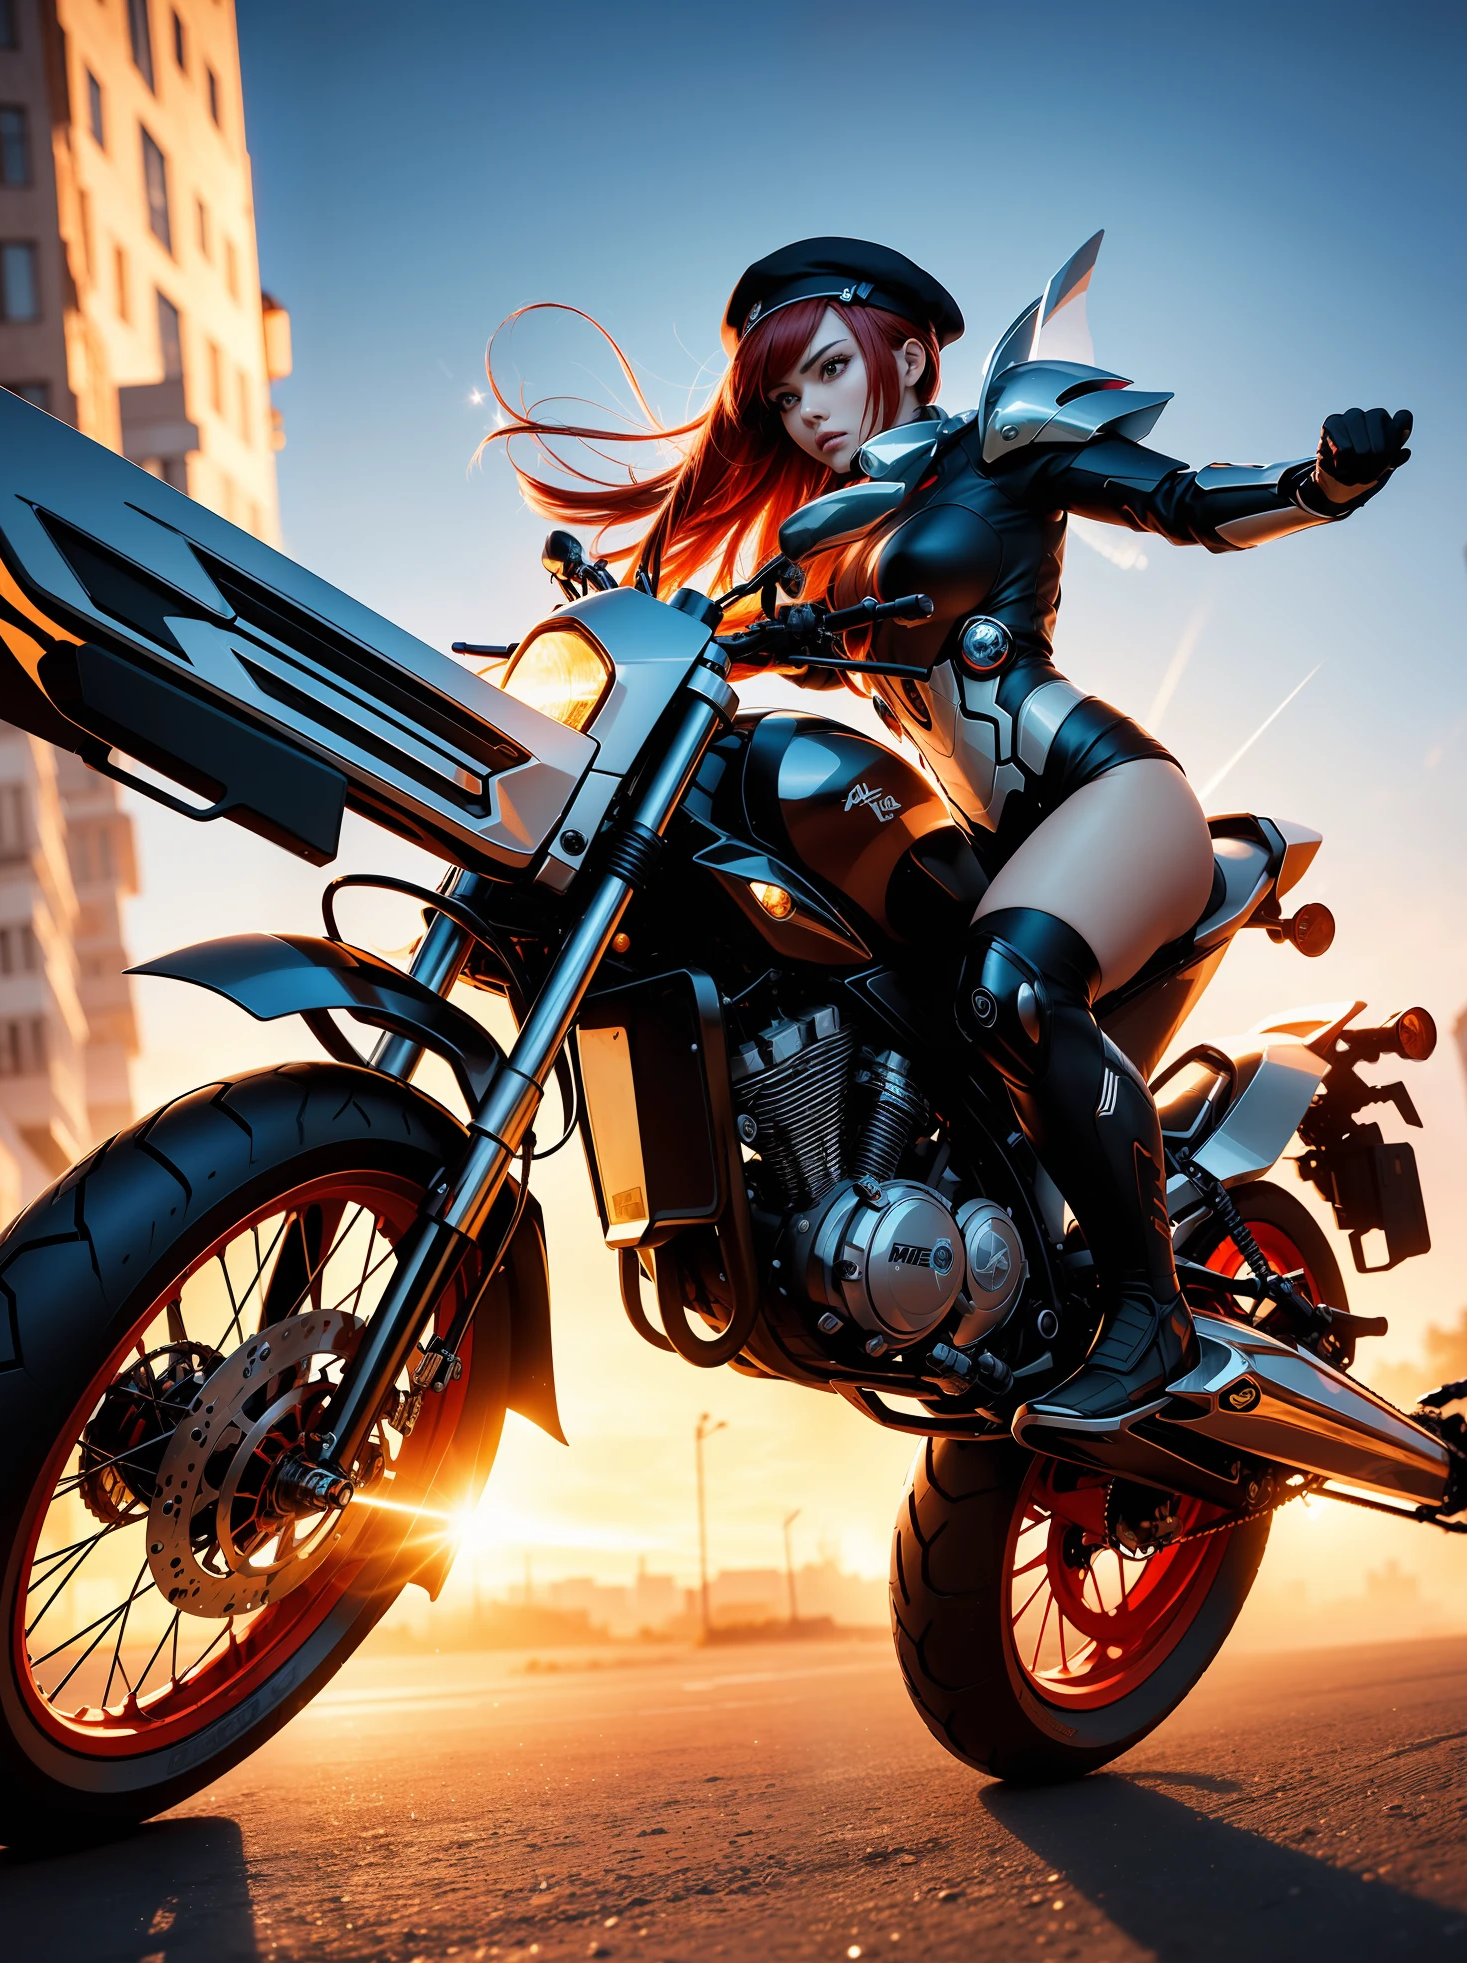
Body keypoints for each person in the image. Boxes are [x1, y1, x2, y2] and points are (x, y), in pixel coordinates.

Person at [485, 236, 1411, 1457]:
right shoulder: (821, 538)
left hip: (1109, 799)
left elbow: (1178, 503)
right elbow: (709, 638)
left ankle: (1156, 1317)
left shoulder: (1004, 437)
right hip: (991, 848)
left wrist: (1320, 480)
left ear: (908, 350)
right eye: (782, 396)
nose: (805, 409)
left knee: (1004, 986)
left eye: (822, 368)